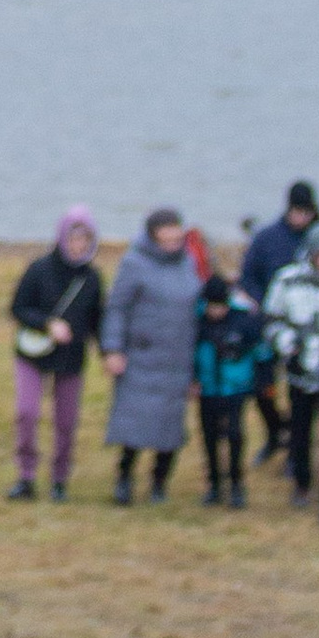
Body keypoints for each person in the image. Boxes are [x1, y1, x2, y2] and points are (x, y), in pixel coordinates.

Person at [5, 211, 103, 502]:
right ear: (61, 237)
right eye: (73, 238)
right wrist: (47, 323)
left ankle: (59, 480)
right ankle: (26, 476)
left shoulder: (92, 279)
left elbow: (98, 320)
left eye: (84, 239)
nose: (78, 245)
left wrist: (110, 352)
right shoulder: (39, 269)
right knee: (27, 413)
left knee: (66, 421)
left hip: (71, 359)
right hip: (32, 354)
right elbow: (18, 308)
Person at [101, 212, 197, 503]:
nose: (172, 241)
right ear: (154, 234)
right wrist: (113, 349)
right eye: (166, 235)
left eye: (176, 235)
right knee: (134, 423)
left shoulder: (188, 261)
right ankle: (124, 479)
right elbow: (117, 308)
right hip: (141, 357)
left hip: (178, 359)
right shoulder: (134, 262)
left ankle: (159, 483)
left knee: (170, 427)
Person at [239, 182, 317, 460]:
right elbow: (247, 276)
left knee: (303, 397)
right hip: (270, 325)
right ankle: (275, 433)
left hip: (310, 333)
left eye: (307, 212)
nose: (302, 218)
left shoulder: (317, 238)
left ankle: (297, 452)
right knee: (263, 388)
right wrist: (266, 304)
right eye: (298, 211)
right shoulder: (267, 238)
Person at [262, 226, 319, 508]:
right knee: (300, 431)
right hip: (301, 372)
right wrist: (288, 344)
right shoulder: (288, 280)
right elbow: (271, 320)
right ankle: (301, 484)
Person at [192, 269, 262, 511]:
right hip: (208, 389)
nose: (216, 312)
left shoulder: (242, 320)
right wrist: (193, 379)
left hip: (234, 389)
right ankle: (213, 485)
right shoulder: (198, 323)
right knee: (209, 437)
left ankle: (236, 485)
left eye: (220, 306)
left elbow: (258, 349)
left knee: (234, 435)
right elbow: (190, 355)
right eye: (212, 306)